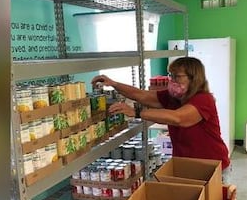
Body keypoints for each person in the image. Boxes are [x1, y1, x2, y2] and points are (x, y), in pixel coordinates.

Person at [91, 57, 231, 181]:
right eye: (171, 75)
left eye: (177, 76)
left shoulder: (203, 99)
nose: (172, 80)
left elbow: (178, 118)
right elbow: (142, 95)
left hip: (212, 167)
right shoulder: (173, 98)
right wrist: (114, 84)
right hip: (186, 166)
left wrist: (137, 112)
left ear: (193, 78)